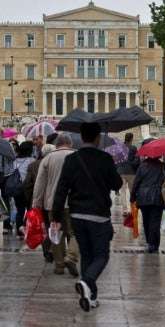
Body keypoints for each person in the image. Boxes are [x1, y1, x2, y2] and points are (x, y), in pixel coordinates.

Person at [52, 122, 123, 312]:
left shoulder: (72, 160)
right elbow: (117, 184)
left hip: (77, 214)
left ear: (82, 137)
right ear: (98, 137)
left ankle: (90, 296)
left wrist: (56, 216)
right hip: (98, 215)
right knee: (101, 255)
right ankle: (87, 281)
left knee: (87, 254)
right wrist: (111, 168)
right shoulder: (105, 158)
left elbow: (61, 189)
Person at [33, 133, 78, 276]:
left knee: (56, 233)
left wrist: (36, 203)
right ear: (70, 143)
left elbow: (40, 183)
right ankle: (71, 256)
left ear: (57, 144)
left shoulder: (48, 158)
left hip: (52, 203)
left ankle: (59, 266)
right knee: (75, 232)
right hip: (74, 202)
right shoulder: (78, 156)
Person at [24, 143, 55, 263]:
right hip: (52, 200)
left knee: (44, 225)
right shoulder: (56, 164)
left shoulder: (33, 165)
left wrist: (29, 201)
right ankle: (54, 249)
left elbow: (27, 184)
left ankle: (46, 251)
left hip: (38, 200)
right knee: (54, 224)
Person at [130, 155, 165, 253]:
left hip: (143, 197)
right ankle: (154, 244)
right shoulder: (162, 166)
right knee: (155, 222)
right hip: (157, 197)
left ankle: (150, 243)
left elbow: (136, 182)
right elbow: (164, 181)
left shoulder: (142, 166)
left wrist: (132, 196)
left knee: (146, 221)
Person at [13, 141, 35, 239]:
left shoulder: (15, 160)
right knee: (30, 209)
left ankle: (19, 230)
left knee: (19, 210)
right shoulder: (31, 160)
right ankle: (25, 227)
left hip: (16, 188)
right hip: (28, 189)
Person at [116, 132, 139, 215]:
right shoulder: (134, 148)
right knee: (132, 191)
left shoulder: (119, 148)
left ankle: (125, 210)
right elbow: (137, 161)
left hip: (121, 172)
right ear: (131, 139)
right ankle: (132, 209)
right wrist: (131, 164)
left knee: (122, 191)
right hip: (131, 172)